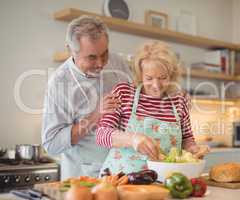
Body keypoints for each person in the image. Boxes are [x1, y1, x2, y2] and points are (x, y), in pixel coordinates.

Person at [96, 41, 209, 174]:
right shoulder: (124, 93)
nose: (156, 85)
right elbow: (101, 134)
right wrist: (132, 139)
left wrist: (193, 150)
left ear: (171, 75)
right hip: (124, 179)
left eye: (163, 78)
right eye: (149, 78)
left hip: (165, 180)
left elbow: (187, 139)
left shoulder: (179, 100)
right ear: (140, 75)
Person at [41, 15, 131, 180]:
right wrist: (96, 116)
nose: (100, 63)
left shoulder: (118, 62)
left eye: (104, 54)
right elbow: (51, 144)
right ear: (71, 50)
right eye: (91, 57)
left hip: (123, 171)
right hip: (84, 178)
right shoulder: (59, 83)